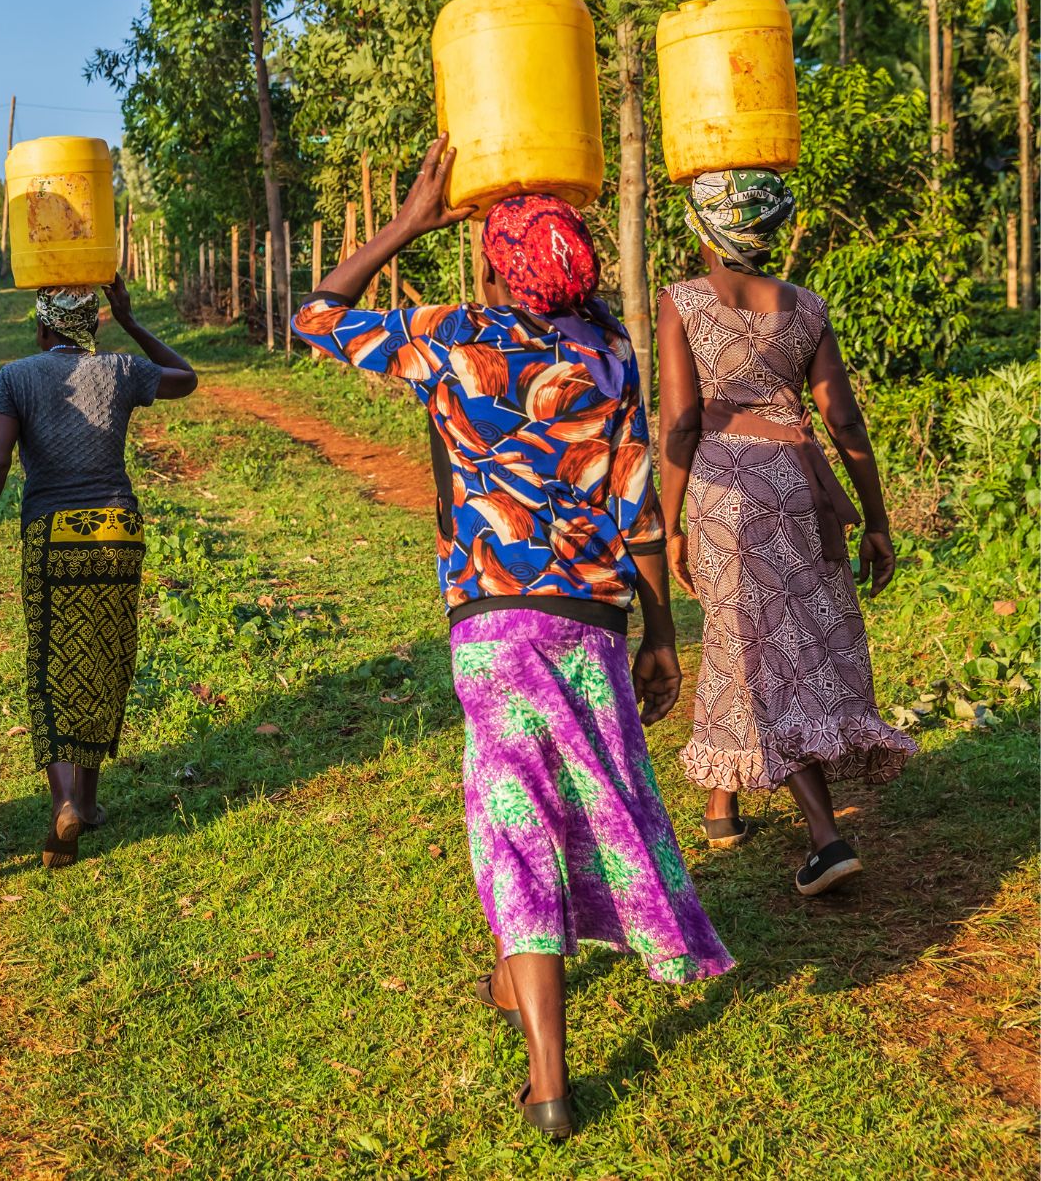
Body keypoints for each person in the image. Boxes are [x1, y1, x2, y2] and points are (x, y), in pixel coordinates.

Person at [290, 137, 733, 1140]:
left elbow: (313, 315)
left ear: (494, 261)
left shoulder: (454, 339)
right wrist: (661, 630)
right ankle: (526, 978)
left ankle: (548, 1078)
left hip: (491, 623)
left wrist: (409, 223)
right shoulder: (610, 349)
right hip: (592, 619)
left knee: (515, 820)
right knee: (590, 800)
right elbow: (637, 502)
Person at [655, 168, 915, 895]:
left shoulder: (682, 303)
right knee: (761, 639)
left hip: (722, 491)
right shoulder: (806, 307)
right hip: (799, 487)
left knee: (755, 649)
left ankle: (827, 839)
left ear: (703, 230)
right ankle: (722, 800)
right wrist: (878, 521)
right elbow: (845, 420)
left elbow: (678, 422)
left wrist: (667, 521)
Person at [0, 277, 197, 869]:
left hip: (52, 535)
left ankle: (66, 800)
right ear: (92, 328)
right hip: (117, 531)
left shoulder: (17, 377)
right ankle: (85, 804)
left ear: (41, 330)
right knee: (103, 660)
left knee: (52, 663)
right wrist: (134, 322)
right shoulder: (119, 368)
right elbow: (186, 379)